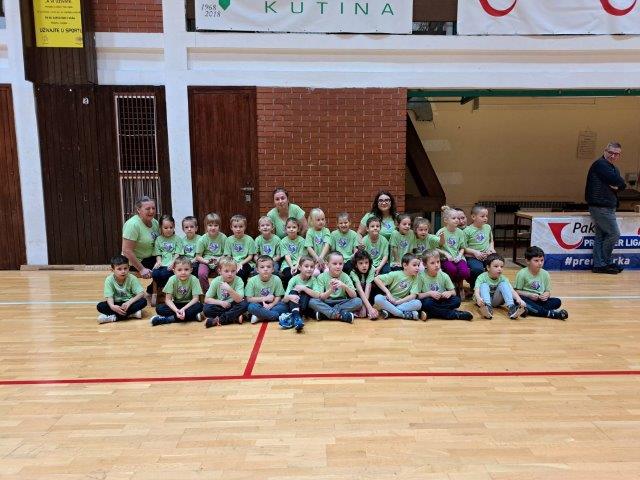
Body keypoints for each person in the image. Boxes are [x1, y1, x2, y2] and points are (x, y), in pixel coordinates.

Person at [585, 142, 627, 274]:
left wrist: (619, 185)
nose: (613, 156)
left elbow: (619, 184)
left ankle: (599, 265)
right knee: (614, 234)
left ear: (619, 155)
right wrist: (620, 185)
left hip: (606, 206)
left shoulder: (612, 167)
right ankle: (605, 263)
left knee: (601, 236)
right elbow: (620, 182)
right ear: (605, 151)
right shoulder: (601, 164)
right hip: (601, 206)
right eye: (611, 153)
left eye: (616, 154)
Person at [414, 250, 473, 321]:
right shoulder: (420, 277)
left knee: (456, 300)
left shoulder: (444, 275)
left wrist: (449, 293)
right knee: (426, 303)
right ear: (425, 265)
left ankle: (430, 313)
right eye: (432, 263)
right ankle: (455, 314)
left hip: (441, 300)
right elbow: (417, 296)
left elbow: (453, 292)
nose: (436, 265)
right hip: (430, 300)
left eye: (438, 262)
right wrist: (429, 293)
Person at [514, 246, 568, 320]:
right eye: (536, 261)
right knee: (518, 300)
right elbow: (516, 291)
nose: (540, 263)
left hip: (539, 301)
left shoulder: (545, 274)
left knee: (557, 301)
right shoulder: (522, 273)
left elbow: (547, 291)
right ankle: (551, 314)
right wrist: (529, 295)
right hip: (527, 299)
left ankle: (530, 310)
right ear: (528, 261)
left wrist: (546, 295)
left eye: (542, 260)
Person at [121, 196, 160, 295]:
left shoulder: (155, 222)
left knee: (173, 264)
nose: (151, 211)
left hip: (151, 258)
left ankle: (153, 290)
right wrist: (141, 269)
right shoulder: (132, 225)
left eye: (153, 208)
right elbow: (126, 251)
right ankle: (154, 292)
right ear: (138, 210)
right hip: (136, 262)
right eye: (147, 209)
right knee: (165, 270)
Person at [309, 251, 362, 322]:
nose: (338, 266)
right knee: (312, 301)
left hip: (342, 302)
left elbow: (354, 296)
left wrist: (344, 286)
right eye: (334, 264)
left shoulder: (345, 276)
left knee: (358, 301)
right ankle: (340, 315)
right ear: (327, 264)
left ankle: (326, 314)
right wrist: (331, 290)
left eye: (340, 264)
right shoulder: (321, 277)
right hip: (327, 302)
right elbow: (321, 297)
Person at [150, 256, 203, 326]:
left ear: (191, 270)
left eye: (186, 269)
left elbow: (195, 299)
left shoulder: (194, 279)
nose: (183, 272)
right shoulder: (172, 279)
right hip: (176, 304)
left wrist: (183, 309)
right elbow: (168, 300)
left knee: (199, 306)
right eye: (179, 270)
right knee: (159, 308)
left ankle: (168, 319)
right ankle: (192, 317)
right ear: (174, 271)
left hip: (189, 305)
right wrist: (176, 310)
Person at [97, 254, 147, 324]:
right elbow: (109, 296)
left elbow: (141, 293)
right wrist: (112, 306)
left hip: (128, 303)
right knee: (100, 306)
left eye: (125, 268)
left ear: (129, 268)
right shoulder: (109, 280)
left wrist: (129, 302)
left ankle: (114, 317)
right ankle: (131, 314)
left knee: (143, 301)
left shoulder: (132, 278)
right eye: (119, 269)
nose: (123, 271)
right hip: (116, 303)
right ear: (112, 270)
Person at [474, 253, 526, 320]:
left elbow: (512, 290)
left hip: (496, 301)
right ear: (488, 267)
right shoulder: (481, 277)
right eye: (496, 266)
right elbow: (476, 291)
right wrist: (478, 298)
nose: (499, 269)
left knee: (504, 284)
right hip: (483, 301)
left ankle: (511, 307)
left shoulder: (503, 278)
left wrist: (519, 299)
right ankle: (487, 308)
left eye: (501, 267)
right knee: (484, 285)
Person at [372, 253, 424, 320]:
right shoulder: (396, 274)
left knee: (418, 303)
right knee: (377, 298)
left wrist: (398, 302)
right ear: (405, 265)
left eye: (418, 265)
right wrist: (388, 293)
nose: (417, 268)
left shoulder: (416, 278)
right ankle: (402, 314)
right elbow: (376, 279)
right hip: (390, 301)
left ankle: (390, 312)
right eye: (414, 265)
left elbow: (413, 296)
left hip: (403, 302)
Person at [203, 256, 248, 327]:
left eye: (233, 271)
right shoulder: (216, 281)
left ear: (236, 270)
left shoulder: (238, 280)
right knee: (206, 309)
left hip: (233, 305)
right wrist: (220, 303)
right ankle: (234, 317)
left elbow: (239, 299)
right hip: (221, 305)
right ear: (220, 271)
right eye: (226, 271)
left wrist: (229, 289)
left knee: (244, 304)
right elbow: (206, 299)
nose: (230, 274)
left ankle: (218, 320)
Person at [437, 206, 470, 299]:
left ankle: (458, 285)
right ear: (446, 220)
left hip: (458, 258)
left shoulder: (460, 232)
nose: (457, 220)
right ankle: (453, 287)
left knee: (465, 272)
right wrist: (446, 254)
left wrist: (459, 255)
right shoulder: (441, 232)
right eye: (454, 218)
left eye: (458, 218)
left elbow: (462, 247)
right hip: (445, 258)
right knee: (452, 270)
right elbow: (436, 248)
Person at [279, 256, 318, 331]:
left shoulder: (314, 280)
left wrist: (304, 288)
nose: (309, 269)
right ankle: (297, 318)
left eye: (312, 267)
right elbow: (284, 299)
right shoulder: (293, 279)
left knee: (306, 290)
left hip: (305, 305)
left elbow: (317, 295)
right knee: (293, 292)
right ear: (299, 267)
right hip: (294, 303)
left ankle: (294, 317)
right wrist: (290, 297)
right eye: (306, 266)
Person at [245, 255, 288, 323]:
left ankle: (259, 317)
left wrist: (271, 305)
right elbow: (249, 299)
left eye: (268, 267)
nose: (265, 269)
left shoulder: (276, 279)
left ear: (273, 269)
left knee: (284, 307)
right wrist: (265, 298)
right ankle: (275, 316)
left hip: (272, 305)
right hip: (258, 304)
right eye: (262, 267)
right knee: (251, 307)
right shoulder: (252, 281)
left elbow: (278, 296)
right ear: (257, 270)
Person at [463, 205, 495, 290]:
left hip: (487, 255)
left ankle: (491, 286)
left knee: (496, 265)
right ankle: (475, 287)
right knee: (477, 269)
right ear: (473, 217)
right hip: (473, 257)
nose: (485, 218)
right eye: (482, 216)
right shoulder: (467, 231)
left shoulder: (488, 227)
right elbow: (463, 247)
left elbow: (491, 241)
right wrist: (475, 252)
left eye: (486, 216)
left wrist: (491, 249)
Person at [195, 213, 227, 292]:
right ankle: (208, 292)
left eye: (216, 225)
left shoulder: (223, 237)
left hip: (220, 260)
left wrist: (219, 260)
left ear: (219, 226)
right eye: (210, 225)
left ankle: (221, 292)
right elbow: (198, 256)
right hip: (206, 260)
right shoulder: (202, 239)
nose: (213, 228)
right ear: (206, 226)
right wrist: (206, 261)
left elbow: (226, 254)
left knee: (224, 272)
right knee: (201, 274)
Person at [151, 215, 183, 293]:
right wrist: (158, 262)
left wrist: (173, 263)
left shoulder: (177, 239)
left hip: (172, 264)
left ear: (174, 227)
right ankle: (161, 290)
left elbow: (177, 254)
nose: (169, 230)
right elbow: (158, 253)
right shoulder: (158, 239)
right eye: (165, 228)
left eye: (171, 227)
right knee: (154, 273)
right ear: (161, 228)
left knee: (165, 274)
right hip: (162, 263)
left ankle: (165, 291)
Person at [223, 214, 256, 283]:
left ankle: (242, 288)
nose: (238, 229)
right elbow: (228, 256)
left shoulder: (249, 239)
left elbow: (250, 256)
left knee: (241, 272)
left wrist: (241, 263)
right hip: (232, 262)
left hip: (246, 262)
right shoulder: (228, 240)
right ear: (231, 227)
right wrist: (234, 264)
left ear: (245, 227)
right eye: (235, 226)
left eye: (241, 226)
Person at [350, 249, 379, 319]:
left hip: (367, 293)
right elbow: (359, 290)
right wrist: (367, 308)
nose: (364, 265)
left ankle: (368, 309)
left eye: (366, 262)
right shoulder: (353, 272)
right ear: (356, 265)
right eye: (361, 263)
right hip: (358, 293)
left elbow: (368, 288)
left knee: (374, 286)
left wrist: (367, 308)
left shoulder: (372, 269)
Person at [279, 217, 306, 286]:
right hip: (287, 264)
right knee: (288, 275)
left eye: (294, 227)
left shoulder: (302, 241)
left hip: (299, 263)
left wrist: (297, 266)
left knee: (300, 275)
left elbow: (301, 255)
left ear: (298, 229)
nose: (291, 229)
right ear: (285, 229)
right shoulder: (283, 241)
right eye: (289, 227)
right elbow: (286, 255)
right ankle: (288, 291)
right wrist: (292, 266)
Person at [305, 208, 332, 276]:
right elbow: (309, 247)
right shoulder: (310, 231)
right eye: (318, 220)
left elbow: (327, 245)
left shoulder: (326, 230)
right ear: (312, 221)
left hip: (325, 259)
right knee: (315, 273)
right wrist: (317, 258)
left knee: (327, 272)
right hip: (314, 260)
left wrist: (321, 257)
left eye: (323, 219)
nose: (321, 222)